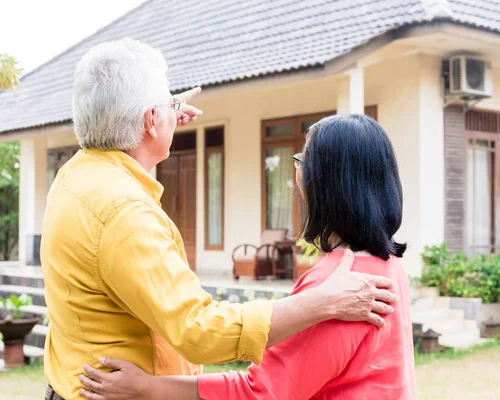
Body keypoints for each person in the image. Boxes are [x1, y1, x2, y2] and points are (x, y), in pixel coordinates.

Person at [41, 39, 398, 400]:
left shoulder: (75, 176)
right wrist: (322, 302)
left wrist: (157, 116)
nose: (297, 172)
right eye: (168, 105)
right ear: (151, 120)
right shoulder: (123, 211)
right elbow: (200, 331)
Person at [78, 114, 417, 400]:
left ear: (327, 183)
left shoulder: (339, 285)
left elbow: (259, 392)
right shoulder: (386, 263)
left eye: (302, 160)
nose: (296, 172)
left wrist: (147, 387)